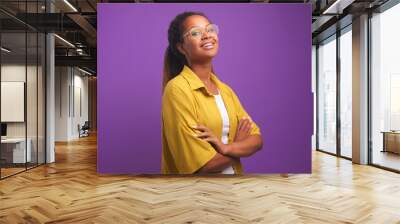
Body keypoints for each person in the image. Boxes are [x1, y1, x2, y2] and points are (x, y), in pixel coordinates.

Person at [161, 11, 263, 174]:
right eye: (195, 32)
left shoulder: (225, 90)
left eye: (210, 29)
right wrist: (239, 145)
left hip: (233, 188)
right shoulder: (177, 89)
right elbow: (201, 166)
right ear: (181, 47)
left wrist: (225, 147)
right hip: (198, 195)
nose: (207, 35)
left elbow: (257, 140)